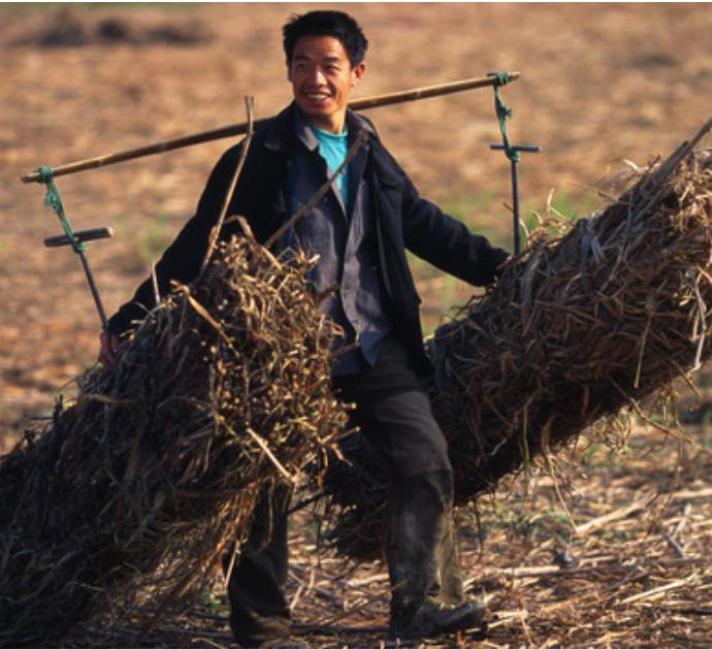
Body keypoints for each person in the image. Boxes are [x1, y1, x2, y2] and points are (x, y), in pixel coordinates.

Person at [99, 10, 509, 646]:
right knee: (259, 484)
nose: (314, 78)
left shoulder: (370, 150)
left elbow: (423, 223)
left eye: (329, 66)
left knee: (424, 458)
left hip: (373, 345)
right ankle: (263, 630)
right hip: (284, 356)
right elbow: (198, 246)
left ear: (357, 74)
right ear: (287, 71)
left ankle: (421, 603)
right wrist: (134, 311)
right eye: (301, 65)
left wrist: (499, 268)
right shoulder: (258, 156)